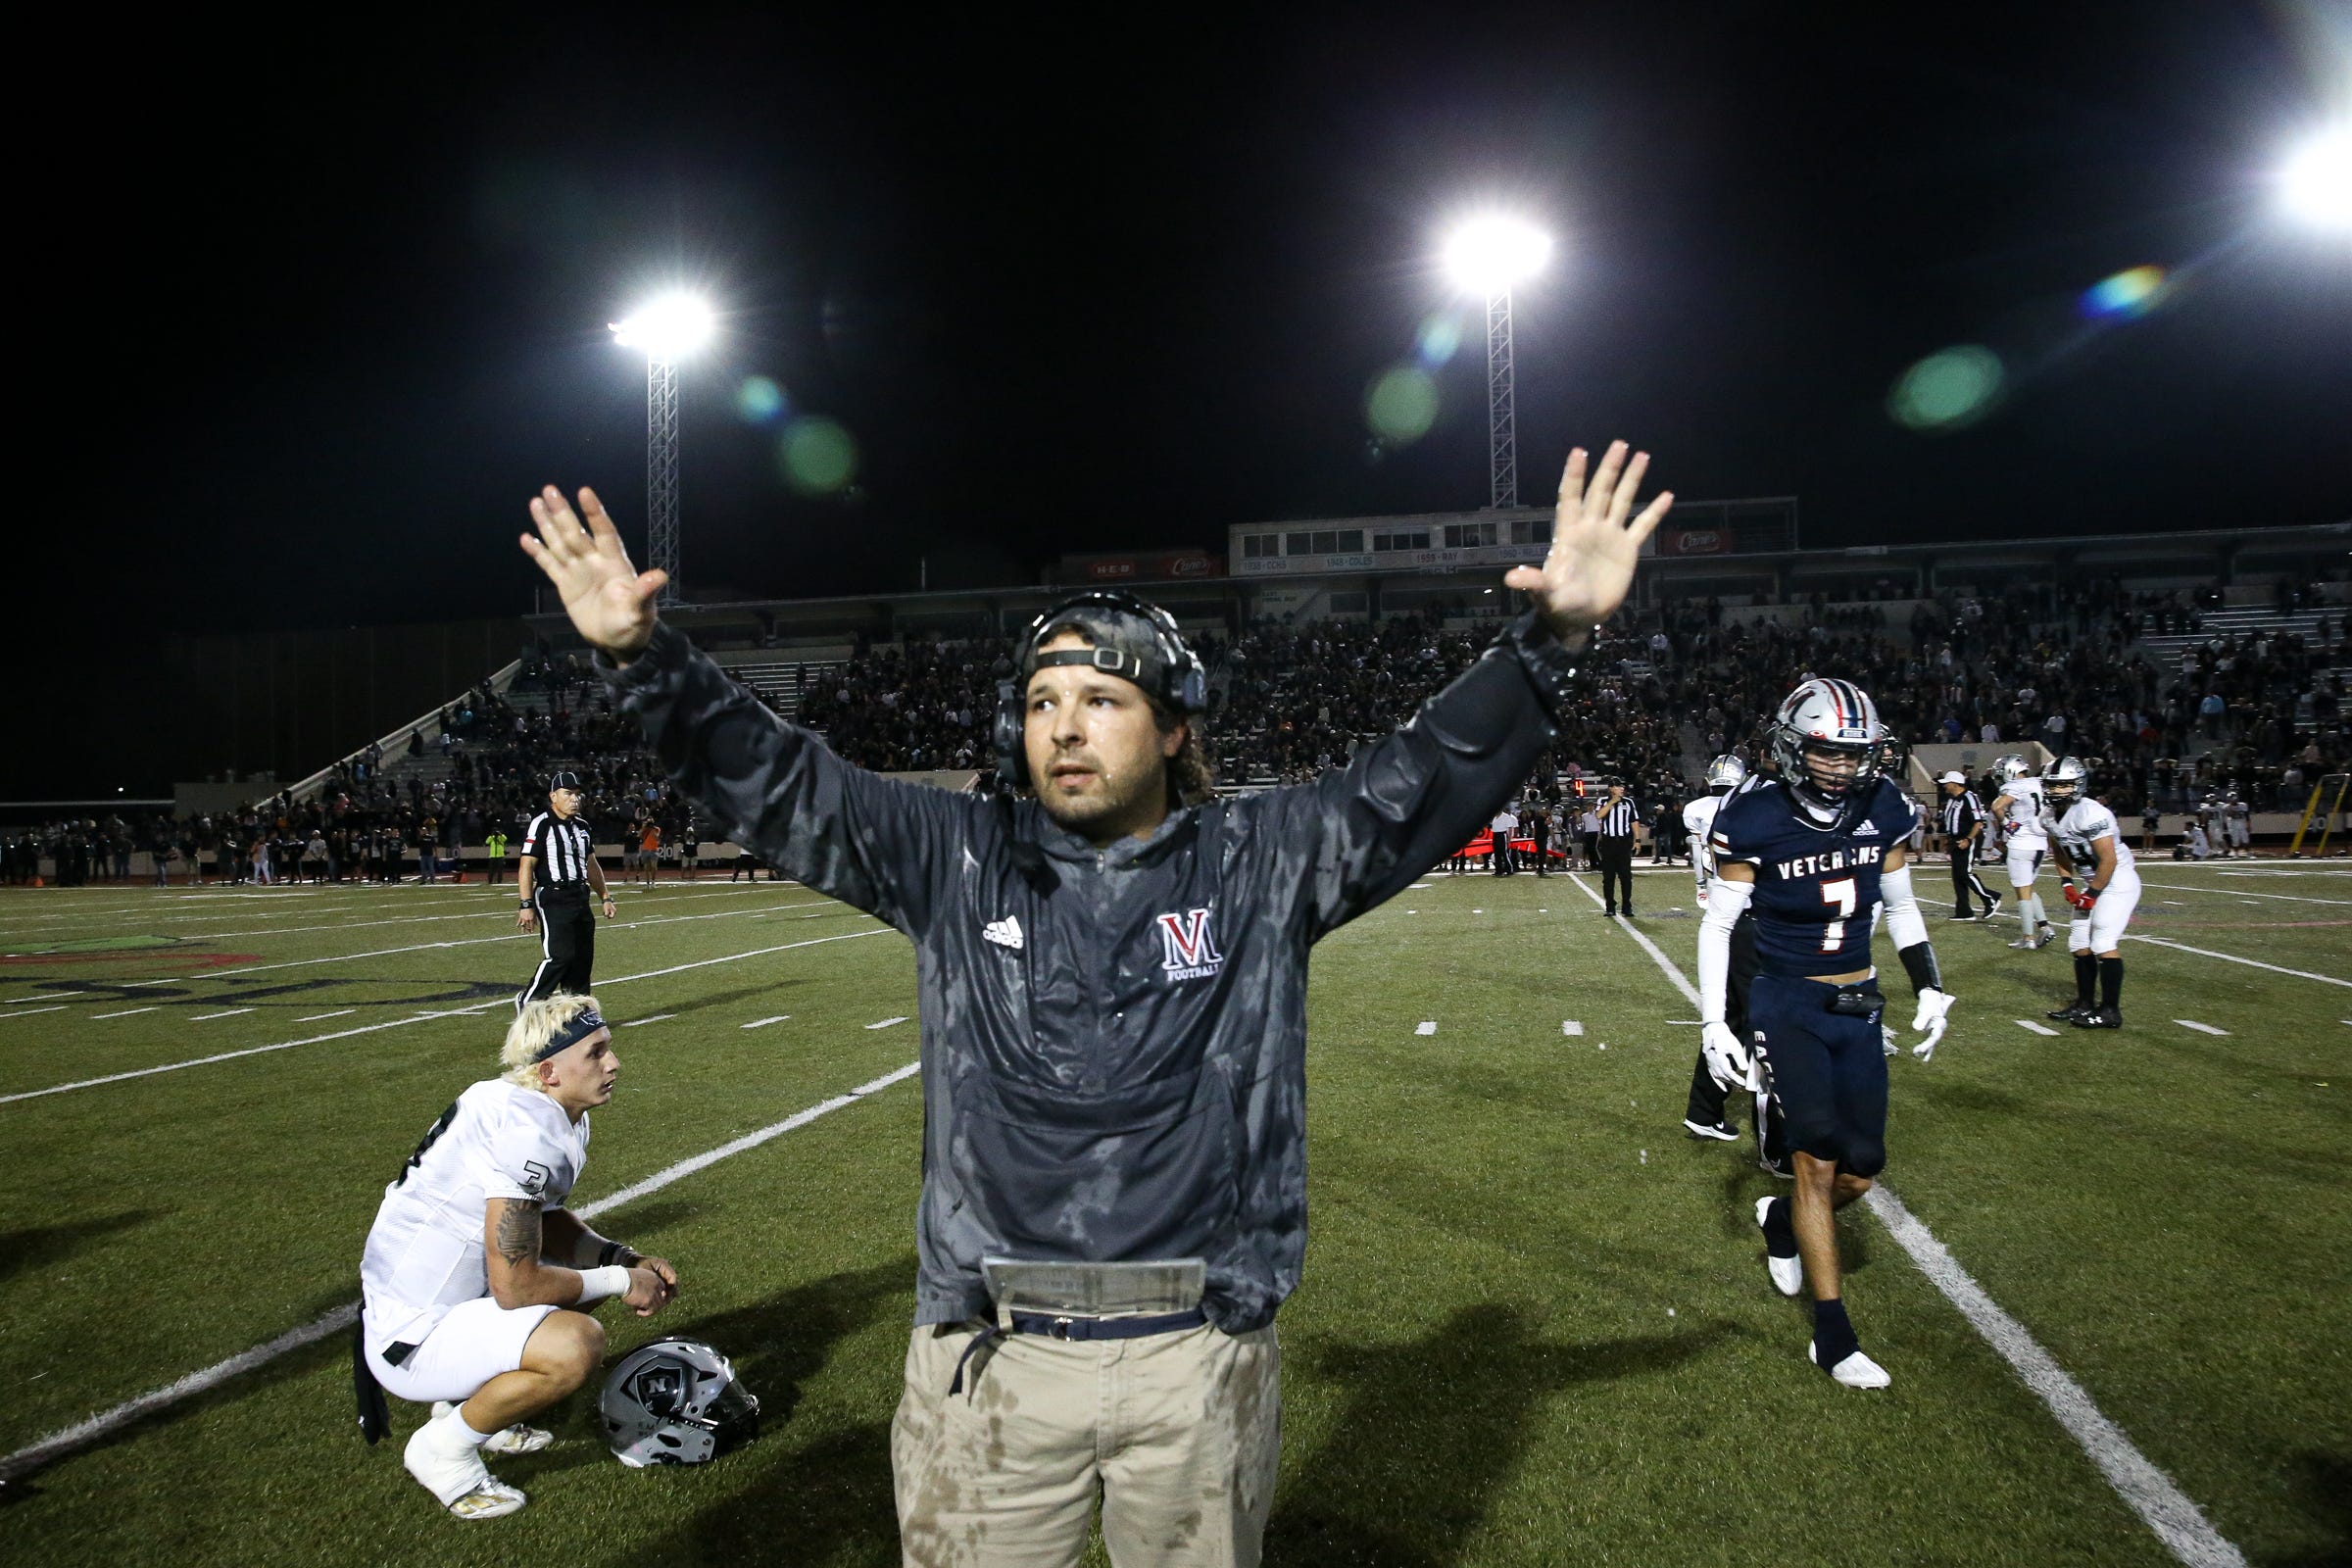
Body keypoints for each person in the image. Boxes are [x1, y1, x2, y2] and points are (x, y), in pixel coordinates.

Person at [519, 439, 1673, 1566]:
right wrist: (646, 658)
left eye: (1103, 699)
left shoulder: (1264, 860)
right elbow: (778, 781)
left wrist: (1553, 636)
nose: (1064, 726)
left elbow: (1427, 775)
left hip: (1198, 1357)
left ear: (1175, 725)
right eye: (1041, 701)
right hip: (989, 1360)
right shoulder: (950, 856)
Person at [1698, 677, 1955, 1390]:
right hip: (1787, 1002)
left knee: (1863, 1168)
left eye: (1855, 754)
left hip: (1859, 999)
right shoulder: (1752, 817)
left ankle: (1781, 1220)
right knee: (1815, 1159)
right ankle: (1833, 1334)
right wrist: (1716, 1019)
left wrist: (1928, 982)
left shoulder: (1886, 806)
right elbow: (1719, 923)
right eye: (1827, 752)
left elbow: (1900, 909)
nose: (1843, 767)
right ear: (1791, 746)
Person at [356, 994, 679, 1518]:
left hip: (442, 1300)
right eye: (596, 1053)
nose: (613, 1063)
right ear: (549, 1070)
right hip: (414, 1332)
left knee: (577, 1282)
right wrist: (621, 1280)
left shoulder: (541, 1104)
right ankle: (445, 1451)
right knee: (575, 1345)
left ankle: (473, 1399)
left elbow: (542, 1218)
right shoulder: (526, 1130)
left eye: (609, 1049)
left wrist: (622, 1257)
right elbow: (518, 1288)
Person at [1680, 754, 1779, 1163]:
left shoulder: (1731, 801)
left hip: (1738, 915)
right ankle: (1776, 1142)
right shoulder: (1771, 800)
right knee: (1769, 1029)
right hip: (1754, 917)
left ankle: (1703, 1112)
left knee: (1735, 1021)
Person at [2040, 757, 2142, 1029]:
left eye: (2063, 785)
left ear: (2077, 785)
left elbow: (2109, 860)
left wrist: (2092, 894)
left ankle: (2110, 1011)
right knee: (2078, 943)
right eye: (2052, 785)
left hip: (2117, 881)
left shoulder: (2092, 813)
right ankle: (2085, 1004)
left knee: (2103, 942)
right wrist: (2067, 883)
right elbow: (2059, 851)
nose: (2055, 791)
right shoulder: (2048, 816)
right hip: (2092, 881)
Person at [515, 772, 616, 1012]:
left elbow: (591, 865)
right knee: (560, 956)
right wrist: (526, 904)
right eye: (568, 794)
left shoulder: (582, 826)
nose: (574, 799)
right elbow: (526, 864)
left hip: (579, 895)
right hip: (553, 895)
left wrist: (605, 896)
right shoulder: (542, 823)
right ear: (553, 796)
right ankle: (529, 1002)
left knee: (582, 960)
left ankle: (577, 1014)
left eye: (577, 794)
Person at [1987, 755, 2057, 951]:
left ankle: (2028, 938)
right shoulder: (2041, 783)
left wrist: (2006, 823)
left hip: (2021, 843)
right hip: (2040, 843)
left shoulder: (2016, 787)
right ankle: (2045, 927)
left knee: (2022, 891)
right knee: (2028, 888)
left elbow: (1997, 806)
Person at [1936, 770, 1999, 920]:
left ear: (1955, 783)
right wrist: (1950, 839)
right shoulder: (1952, 800)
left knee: (1965, 873)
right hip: (1956, 840)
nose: (1945, 786)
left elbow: (1978, 821)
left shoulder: (1969, 797)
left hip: (1968, 838)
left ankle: (1990, 898)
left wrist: (1969, 839)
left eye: (1947, 783)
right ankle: (1964, 911)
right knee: (1958, 876)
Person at [1595, 778, 1640, 916]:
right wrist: (1611, 802)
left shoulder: (1628, 802)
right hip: (1608, 843)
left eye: (1622, 787)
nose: (1622, 789)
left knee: (1626, 876)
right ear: (1611, 788)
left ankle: (1627, 905)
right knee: (1608, 877)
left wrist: (1637, 840)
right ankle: (1610, 906)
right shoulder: (1603, 801)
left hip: (1623, 843)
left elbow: (1634, 821)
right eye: (1618, 787)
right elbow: (1599, 815)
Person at [1489, 802, 1518, 875]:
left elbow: (1510, 827)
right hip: (1495, 835)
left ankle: (1509, 869)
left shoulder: (1506, 816)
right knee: (1496, 853)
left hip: (1502, 835)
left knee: (1504, 853)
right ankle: (1498, 870)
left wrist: (1509, 839)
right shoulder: (1494, 817)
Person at [1527, 795, 1552, 876]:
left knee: (1542, 854)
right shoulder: (1539, 819)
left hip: (1542, 838)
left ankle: (1540, 868)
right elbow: (1547, 823)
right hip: (1540, 838)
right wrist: (1549, 817)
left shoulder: (1541, 818)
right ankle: (1540, 869)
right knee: (1541, 854)